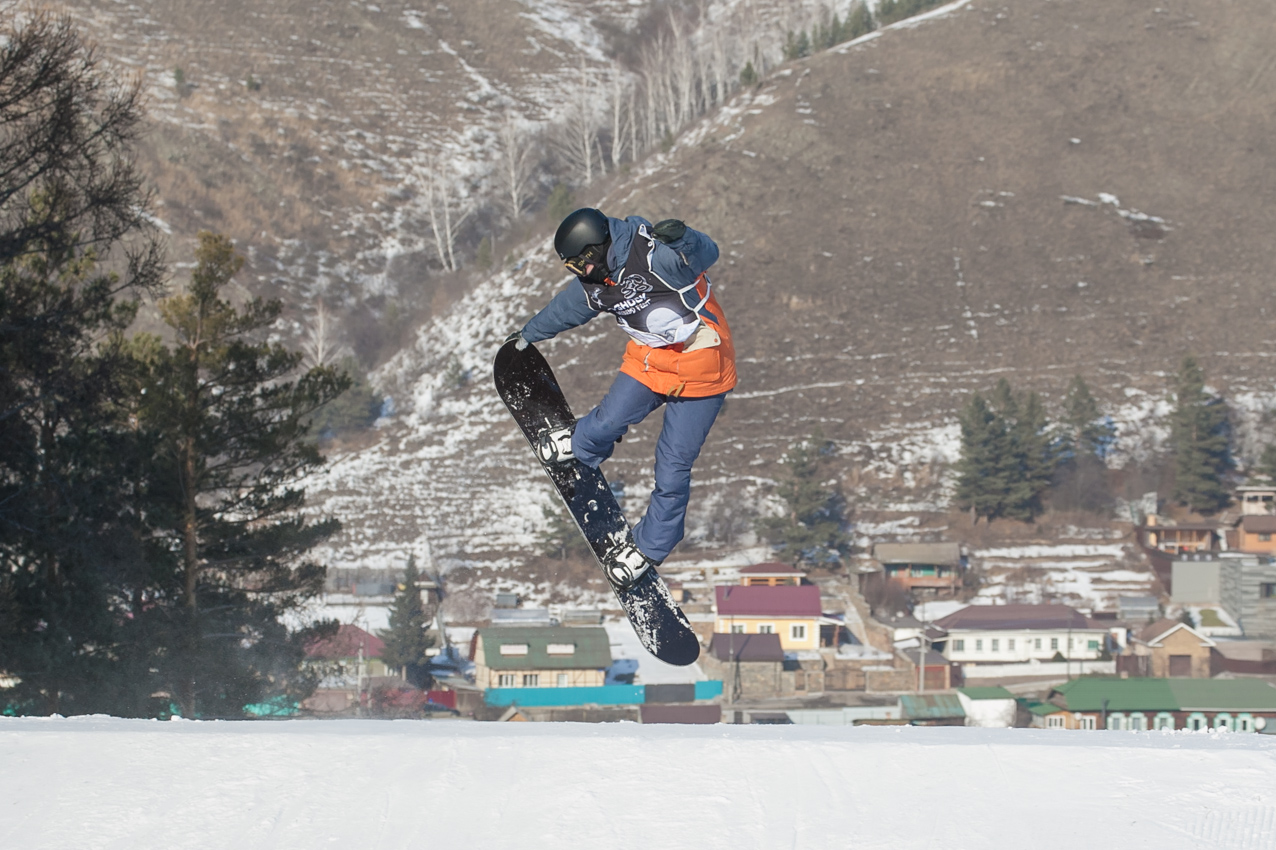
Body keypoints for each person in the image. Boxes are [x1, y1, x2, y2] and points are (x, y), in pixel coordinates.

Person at [507, 208, 736, 584]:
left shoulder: (656, 256)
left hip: (702, 370)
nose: (579, 272)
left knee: (672, 466)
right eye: (571, 267)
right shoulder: (596, 282)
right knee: (609, 419)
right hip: (650, 360)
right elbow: (566, 309)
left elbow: (706, 254)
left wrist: (684, 239)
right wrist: (529, 334)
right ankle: (581, 446)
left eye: (580, 263)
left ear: (597, 248)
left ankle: (650, 547)